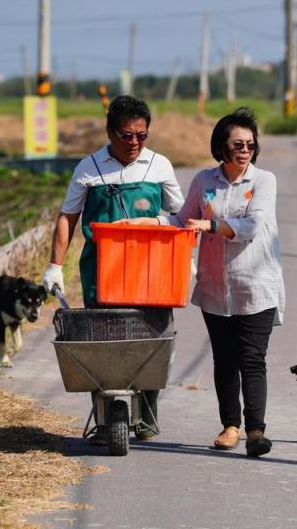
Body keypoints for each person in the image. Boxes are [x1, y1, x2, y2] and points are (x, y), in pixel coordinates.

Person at [120, 107, 285, 457]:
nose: (244, 150)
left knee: (252, 359)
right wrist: (148, 223)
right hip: (214, 288)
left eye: (250, 145)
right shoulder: (204, 182)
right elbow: (183, 220)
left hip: (255, 287)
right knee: (225, 360)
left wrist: (210, 226)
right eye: (237, 144)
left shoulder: (263, 181)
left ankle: (256, 432)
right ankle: (230, 426)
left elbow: (251, 228)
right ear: (221, 147)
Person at [43, 95, 184, 441]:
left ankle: (148, 415)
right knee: (100, 343)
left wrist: (170, 238)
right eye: (126, 135)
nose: (134, 142)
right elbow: (68, 217)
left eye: (142, 135)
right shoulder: (88, 168)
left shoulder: (159, 166)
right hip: (102, 273)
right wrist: (54, 265)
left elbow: (181, 214)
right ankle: (107, 421)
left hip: (150, 273)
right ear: (109, 132)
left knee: (151, 339)